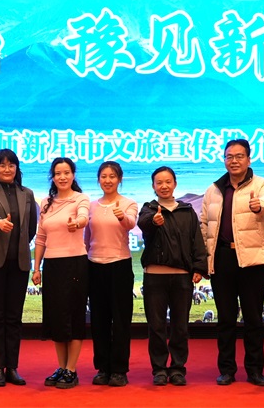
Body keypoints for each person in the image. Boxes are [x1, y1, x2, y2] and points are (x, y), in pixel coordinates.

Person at [200, 139, 264, 387]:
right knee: (225, 318)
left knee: (253, 318)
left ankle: (255, 370)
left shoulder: (262, 184)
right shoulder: (214, 189)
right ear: (224, 159)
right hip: (222, 258)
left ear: (249, 159)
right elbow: (204, 225)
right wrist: (204, 260)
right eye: (229, 156)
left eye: (239, 156)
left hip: (252, 260)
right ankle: (227, 370)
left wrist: (259, 205)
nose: (234, 161)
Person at [138, 166, 207, 386]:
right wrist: (154, 221)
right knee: (156, 326)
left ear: (175, 183)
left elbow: (197, 240)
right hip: (154, 277)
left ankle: (177, 369)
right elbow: (143, 224)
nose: (164, 186)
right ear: (153, 186)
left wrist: (199, 267)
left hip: (182, 277)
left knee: (180, 326)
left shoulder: (187, 211)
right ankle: (159, 369)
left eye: (168, 181)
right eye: (159, 182)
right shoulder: (148, 209)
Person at [0, 149, 38, 387]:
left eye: (11, 165)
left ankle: (12, 367)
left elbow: (31, 228)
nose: (6, 169)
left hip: (19, 263)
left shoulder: (27, 193)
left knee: (14, 317)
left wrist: (20, 245)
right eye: (2, 165)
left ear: (16, 168)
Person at [32, 157, 90, 389]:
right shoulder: (46, 203)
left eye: (66, 172)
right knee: (56, 317)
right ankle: (62, 366)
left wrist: (77, 223)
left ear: (73, 175)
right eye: (58, 173)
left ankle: (71, 370)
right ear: (52, 177)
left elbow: (84, 217)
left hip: (75, 263)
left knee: (73, 316)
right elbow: (41, 238)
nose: (62, 177)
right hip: (52, 266)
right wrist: (36, 267)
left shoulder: (80, 198)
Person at [84, 161, 137, 387]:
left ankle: (119, 369)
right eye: (104, 176)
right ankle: (103, 368)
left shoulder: (128, 203)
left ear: (120, 179)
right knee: (99, 320)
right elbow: (87, 238)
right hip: (95, 265)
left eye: (112, 176)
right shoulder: (91, 206)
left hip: (120, 265)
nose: (108, 180)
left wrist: (121, 216)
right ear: (98, 179)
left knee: (121, 319)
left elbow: (131, 224)